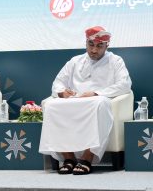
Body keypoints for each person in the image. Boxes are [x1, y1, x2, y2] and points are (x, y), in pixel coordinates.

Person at [39, 26, 132, 175]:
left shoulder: (115, 61)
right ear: (86, 43)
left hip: (98, 100)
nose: (94, 50)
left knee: (100, 104)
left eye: (99, 46)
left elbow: (125, 84)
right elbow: (58, 83)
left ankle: (87, 159)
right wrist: (62, 92)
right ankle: (68, 158)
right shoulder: (75, 61)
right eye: (91, 45)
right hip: (75, 100)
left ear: (107, 46)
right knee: (51, 105)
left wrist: (96, 93)